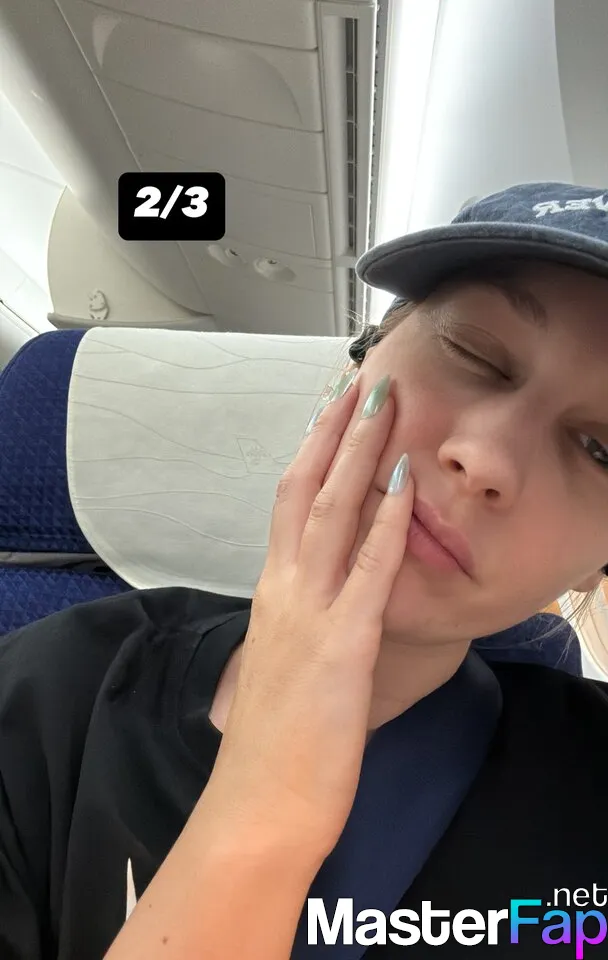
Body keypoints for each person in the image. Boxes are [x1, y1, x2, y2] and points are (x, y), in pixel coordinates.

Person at [2, 181, 608, 960]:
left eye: (601, 450)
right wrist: (266, 805)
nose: (486, 459)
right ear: (360, 363)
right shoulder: (49, 695)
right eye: (474, 354)